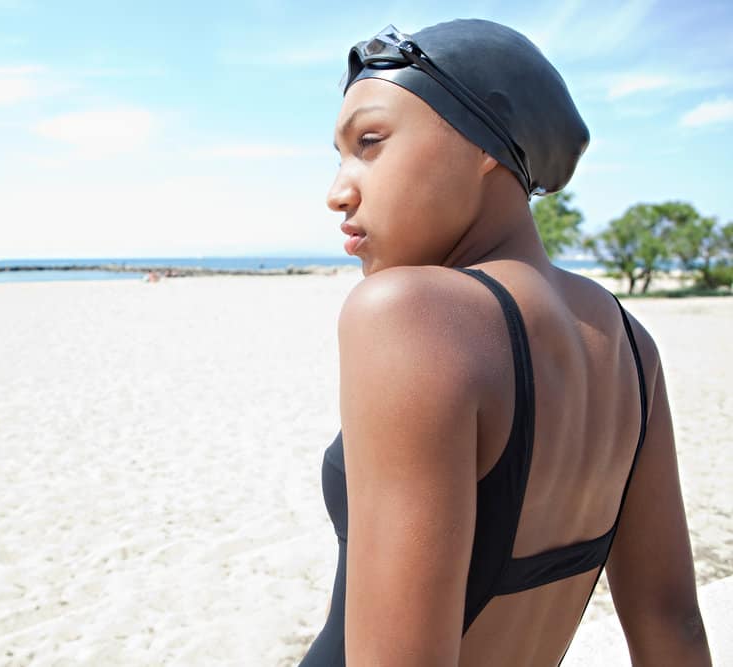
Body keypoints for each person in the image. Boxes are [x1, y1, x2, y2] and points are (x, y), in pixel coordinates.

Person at [298, 19, 712, 666]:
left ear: (484, 141)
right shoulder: (631, 344)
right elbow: (674, 625)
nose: (337, 191)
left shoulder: (408, 315)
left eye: (371, 142)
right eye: (340, 155)